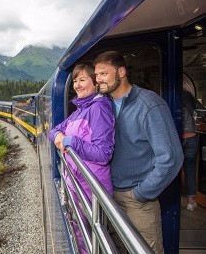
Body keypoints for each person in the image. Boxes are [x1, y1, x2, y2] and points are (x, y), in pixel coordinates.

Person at [94, 51, 184, 254]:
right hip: (111, 194)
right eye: (97, 75)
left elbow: (171, 157)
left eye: (104, 74)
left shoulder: (149, 105)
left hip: (138, 200)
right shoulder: (103, 104)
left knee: (144, 250)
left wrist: (142, 193)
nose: (98, 79)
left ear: (122, 72)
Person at [48, 62, 115, 253]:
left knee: (92, 242)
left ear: (95, 83)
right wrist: (59, 136)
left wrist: (69, 141)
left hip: (90, 189)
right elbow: (53, 131)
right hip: (77, 186)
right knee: (81, 238)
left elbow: (103, 154)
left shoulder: (99, 108)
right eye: (75, 80)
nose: (77, 85)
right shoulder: (80, 110)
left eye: (82, 79)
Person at [182, 88, 198, 210]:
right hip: (191, 136)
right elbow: (198, 109)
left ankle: (172, 199)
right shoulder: (188, 94)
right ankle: (190, 201)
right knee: (190, 168)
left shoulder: (170, 94)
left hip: (178, 137)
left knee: (172, 168)